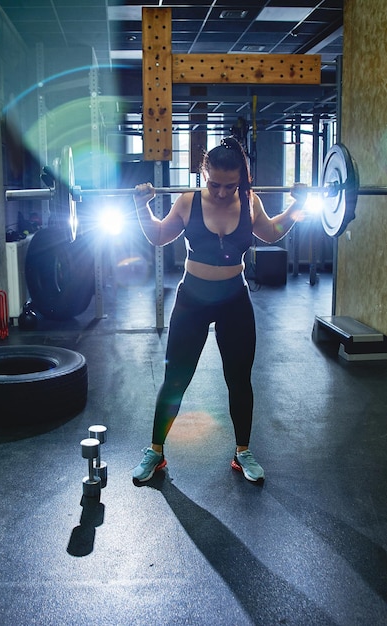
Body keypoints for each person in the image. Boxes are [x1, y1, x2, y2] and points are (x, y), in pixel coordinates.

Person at [132, 136, 307, 483]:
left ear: (242, 178)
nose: (223, 192)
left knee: (239, 380)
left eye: (232, 185)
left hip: (233, 300)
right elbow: (158, 236)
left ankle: (243, 452)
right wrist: (142, 207)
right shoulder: (187, 201)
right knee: (175, 380)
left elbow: (272, 233)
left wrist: (297, 206)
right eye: (215, 184)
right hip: (192, 299)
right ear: (203, 173)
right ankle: (155, 451)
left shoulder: (250, 201)